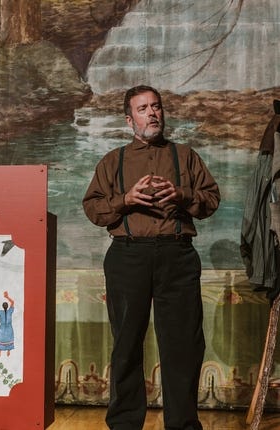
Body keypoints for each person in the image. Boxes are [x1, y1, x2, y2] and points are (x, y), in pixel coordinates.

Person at [82, 85, 220, 430]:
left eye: (156, 107)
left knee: (182, 345)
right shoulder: (113, 161)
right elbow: (94, 208)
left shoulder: (185, 155)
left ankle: (183, 424)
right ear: (130, 120)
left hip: (177, 255)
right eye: (143, 109)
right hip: (128, 257)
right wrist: (126, 199)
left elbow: (211, 199)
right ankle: (125, 424)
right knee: (127, 343)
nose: (152, 113)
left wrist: (183, 194)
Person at [0, 291, 15, 357]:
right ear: (7, 306)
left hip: (3, 329)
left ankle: (0, 352)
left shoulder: (1, 312)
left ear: (2, 306)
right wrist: (7, 297)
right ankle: (8, 351)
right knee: (8, 339)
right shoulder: (10, 311)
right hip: (8, 328)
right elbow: (12, 302)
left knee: (1, 339)